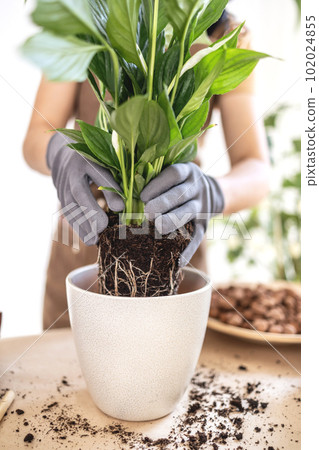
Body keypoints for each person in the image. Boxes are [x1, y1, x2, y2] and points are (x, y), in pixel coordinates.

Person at [23, 12, 269, 330]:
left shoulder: (225, 34)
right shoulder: (83, 16)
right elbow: (36, 135)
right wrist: (60, 152)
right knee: (68, 372)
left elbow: (257, 167)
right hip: (85, 233)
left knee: (166, 369)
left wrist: (212, 193)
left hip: (174, 233)